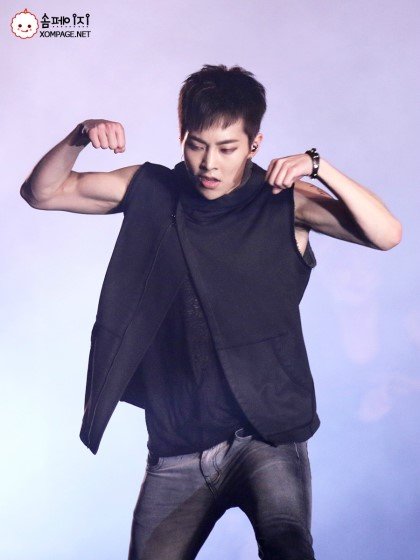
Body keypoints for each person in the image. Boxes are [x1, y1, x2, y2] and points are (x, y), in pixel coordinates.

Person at [20, 64, 402, 560]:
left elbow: (386, 234)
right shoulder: (151, 187)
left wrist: (318, 166)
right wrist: (79, 135)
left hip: (266, 437)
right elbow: (42, 192)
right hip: (176, 444)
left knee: (289, 548)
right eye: (197, 145)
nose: (209, 164)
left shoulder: (283, 201)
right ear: (182, 136)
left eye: (227, 148)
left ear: (255, 144)